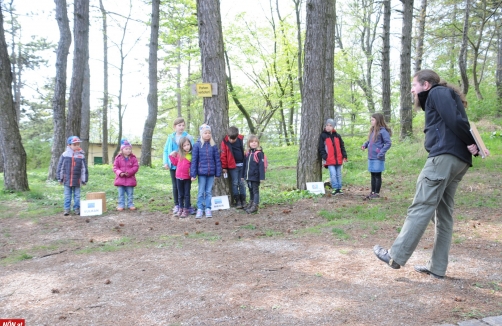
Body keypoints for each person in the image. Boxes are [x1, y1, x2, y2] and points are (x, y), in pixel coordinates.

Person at [373, 69, 488, 279]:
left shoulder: (437, 93)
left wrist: (472, 142)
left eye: (414, 86)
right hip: (459, 161)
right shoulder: (446, 96)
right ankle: (437, 267)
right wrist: (472, 144)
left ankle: (395, 256)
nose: (412, 91)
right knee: (443, 215)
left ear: (426, 85)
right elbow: (459, 122)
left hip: (442, 159)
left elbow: (454, 120)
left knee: (421, 205)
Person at [163, 117, 194, 215]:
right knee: (175, 186)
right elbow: (166, 150)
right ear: (174, 127)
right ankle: (177, 205)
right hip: (174, 165)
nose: (181, 127)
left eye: (183, 125)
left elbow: (192, 150)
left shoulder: (188, 136)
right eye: (179, 125)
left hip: (185, 166)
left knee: (186, 187)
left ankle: (187, 206)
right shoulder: (170, 137)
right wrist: (166, 162)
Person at [190, 124, 222, 218]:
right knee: (201, 191)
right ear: (201, 134)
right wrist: (193, 174)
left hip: (211, 173)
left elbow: (217, 160)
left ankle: (208, 208)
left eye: (209, 133)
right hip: (201, 173)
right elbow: (194, 160)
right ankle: (200, 208)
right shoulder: (197, 145)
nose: (207, 134)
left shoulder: (213, 146)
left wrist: (217, 172)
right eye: (205, 133)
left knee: (208, 191)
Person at [361, 113, 392, 199]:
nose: (371, 121)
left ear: (378, 120)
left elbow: (388, 143)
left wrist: (381, 152)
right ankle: (372, 192)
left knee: (377, 175)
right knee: (372, 175)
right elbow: (369, 141)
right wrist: (365, 145)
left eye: (373, 120)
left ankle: (377, 193)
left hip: (378, 157)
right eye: (371, 120)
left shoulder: (383, 131)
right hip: (371, 157)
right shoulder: (372, 130)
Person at [57, 136, 88, 216]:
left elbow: (84, 169)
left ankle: (76, 208)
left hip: (77, 180)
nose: (76, 146)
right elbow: (60, 167)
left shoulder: (81, 156)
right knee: (67, 196)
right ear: (69, 145)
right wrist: (60, 179)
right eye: (74, 144)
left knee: (77, 196)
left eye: (78, 144)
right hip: (67, 180)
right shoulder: (65, 155)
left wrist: (84, 180)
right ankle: (67, 209)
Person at [318, 118, 348, 196]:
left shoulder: (337, 136)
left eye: (330, 125)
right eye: (327, 125)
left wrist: (344, 156)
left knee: (338, 174)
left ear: (333, 127)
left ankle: (339, 188)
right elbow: (321, 147)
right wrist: (325, 157)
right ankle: (335, 188)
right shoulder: (323, 135)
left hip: (338, 159)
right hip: (329, 160)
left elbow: (342, 146)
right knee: (333, 174)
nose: (328, 127)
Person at [220, 126, 247, 208]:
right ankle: (237, 200)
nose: (232, 140)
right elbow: (223, 155)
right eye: (230, 138)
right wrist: (224, 167)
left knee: (242, 183)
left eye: (233, 139)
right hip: (232, 166)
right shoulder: (225, 142)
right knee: (235, 183)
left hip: (242, 165)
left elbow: (246, 151)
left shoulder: (241, 139)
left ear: (237, 136)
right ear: (227, 135)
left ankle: (243, 199)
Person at [169, 137, 193, 218]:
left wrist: (193, 175)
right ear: (181, 147)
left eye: (188, 144)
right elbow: (175, 163)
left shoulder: (191, 155)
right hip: (178, 177)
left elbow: (193, 166)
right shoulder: (179, 154)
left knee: (186, 194)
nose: (187, 147)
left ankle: (186, 209)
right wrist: (171, 156)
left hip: (187, 178)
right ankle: (180, 208)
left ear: (190, 145)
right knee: (180, 194)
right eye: (184, 145)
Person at [113, 139, 139, 211]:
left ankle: (130, 204)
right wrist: (120, 173)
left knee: (130, 193)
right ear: (122, 149)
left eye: (129, 149)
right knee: (121, 194)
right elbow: (115, 167)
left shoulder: (133, 158)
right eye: (126, 149)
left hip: (130, 179)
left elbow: (136, 167)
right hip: (120, 179)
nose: (128, 150)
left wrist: (129, 172)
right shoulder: (118, 158)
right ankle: (121, 204)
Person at [243, 135, 266, 214]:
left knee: (255, 191)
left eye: (255, 142)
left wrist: (262, 177)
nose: (254, 143)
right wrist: (243, 175)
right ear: (249, 143)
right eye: (252, 142)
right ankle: (251, 203)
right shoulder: (248, 153)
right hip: (248, 176)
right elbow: (245, 165)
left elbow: (261, 166)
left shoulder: (259, 153)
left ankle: (255, 206)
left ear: (258, 143)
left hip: (255, 176)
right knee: (250, 190)